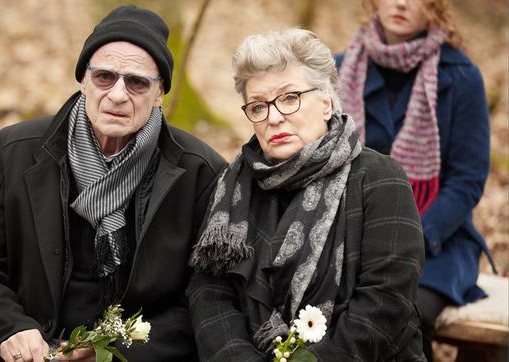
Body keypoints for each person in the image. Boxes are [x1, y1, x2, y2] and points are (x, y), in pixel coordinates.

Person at [0, 5, 226, 362]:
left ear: (160, 92)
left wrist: (115, 352)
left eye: (137, 82)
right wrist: (11, 328)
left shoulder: (200, 172)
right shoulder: (15, 151)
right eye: (104, 77)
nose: (117, 94)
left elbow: (202, 297)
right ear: (84, 79)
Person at [187, 27, 426, 361]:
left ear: (326, 103)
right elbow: (209, 292)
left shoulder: (381, 178)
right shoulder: (233, 186)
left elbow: (386, 302)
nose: (273, 117)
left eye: (289, 98)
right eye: (258, 106)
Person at [335, 0, 494, 359]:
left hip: (437, 243)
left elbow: (467, 179)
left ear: (435, 7)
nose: (401, 3)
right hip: (350, 236)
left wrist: (408, 238)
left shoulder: (462, 76)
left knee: (404, 310)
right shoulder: (340, 69)